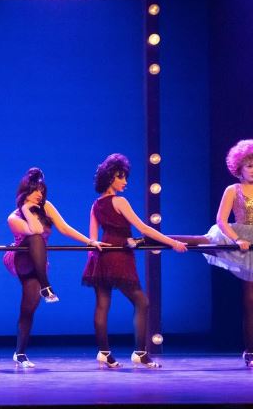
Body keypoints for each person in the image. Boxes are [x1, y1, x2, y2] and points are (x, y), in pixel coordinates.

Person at [178, 140, 253, 368]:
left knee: (252, 301)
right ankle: (156, 238)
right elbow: (221, 221)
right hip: (237, 237)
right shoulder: (232, 190)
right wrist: (237, 240)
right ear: (239, 167)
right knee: (201, 241)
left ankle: (250, 352)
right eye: (249, 165)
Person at [83, 154, 186, 369]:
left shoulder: (95, 205)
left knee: (102, 306)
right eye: (121, 177)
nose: (125, 182)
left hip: (100, 257)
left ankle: (104, 353)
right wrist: (173, 243)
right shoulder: (119, 201)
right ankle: (140, 353)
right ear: (110, 177)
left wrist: (94, 259)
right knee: (142, 302)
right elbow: (145, 228)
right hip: (119, 257)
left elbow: (92, 240)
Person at [5, 167, 106, 368]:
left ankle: (20, 353)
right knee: (35, 237)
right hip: (19, 258)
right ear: (25, 191)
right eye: (35, 190)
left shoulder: (47, 207)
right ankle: (46, 285)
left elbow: (65, 228)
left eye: (42, 191)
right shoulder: (14, 217)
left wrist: (89, 241)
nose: (39, 194)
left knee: (29, 306)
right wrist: (26, 209)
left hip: (39, 263)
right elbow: (35, 230)